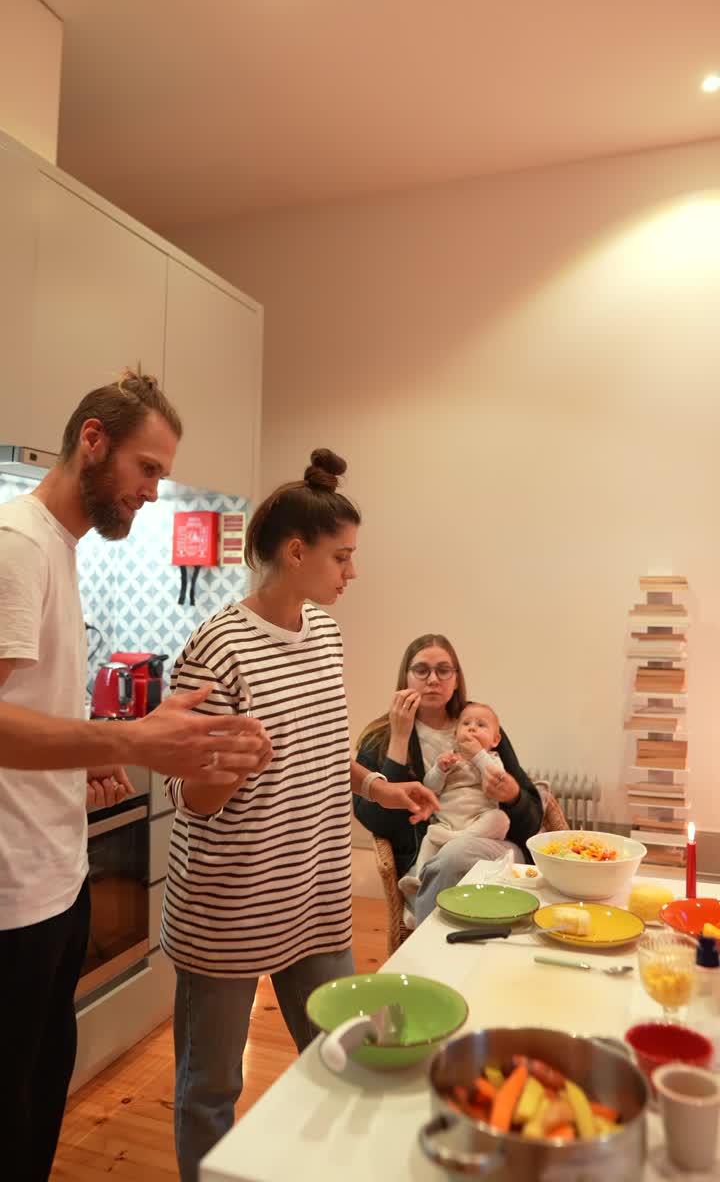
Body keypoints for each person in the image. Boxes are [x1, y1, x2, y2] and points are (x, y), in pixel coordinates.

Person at [0, 371, 269, 1182]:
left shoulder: (60, 548)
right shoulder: (19, 546)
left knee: (38, 1100)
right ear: (92, 440)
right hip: (13, 898)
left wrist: (90, 762)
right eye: (147, 469)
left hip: (55, 879)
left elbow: (26, 715)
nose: (155, 491)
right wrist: (133, 740)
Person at [160, 449, 439, 1182]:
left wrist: (377, 787)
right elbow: (189, 797)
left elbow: (317, 750)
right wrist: (226, 768)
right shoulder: (218, 646)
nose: (352, 572)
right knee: (210, 1089)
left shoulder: (324, 633)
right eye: (342, 557)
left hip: (312, 898)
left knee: (344, 1059)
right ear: (295, 551)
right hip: (229, 907)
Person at [353, 634, 542, 926]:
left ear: (456, 678)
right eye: (421, 670)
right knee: (450, 858)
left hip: (494, 849)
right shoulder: (381, 736)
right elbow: (380, 823)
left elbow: (529, 821)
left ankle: (423, 939)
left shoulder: (479, 723)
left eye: (443, 670)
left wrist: (513, 797)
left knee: (455, 855)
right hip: (428, 855)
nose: (433, 679)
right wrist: (400, 738)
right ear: (406, 676)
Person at [398, 701, 510, 898]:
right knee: (429, 840)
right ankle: (420, 879)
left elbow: (495, 781)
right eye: (466, 724)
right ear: (455, 734)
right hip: (447, 822)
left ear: (495, 739)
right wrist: (439, 770)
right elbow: (430, 789)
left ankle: (457, 840)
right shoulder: (449, 758)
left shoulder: (492, 760)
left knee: (501, 819)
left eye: (481, 725)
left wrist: (478, 756)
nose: (472, 728)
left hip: (478, 820)